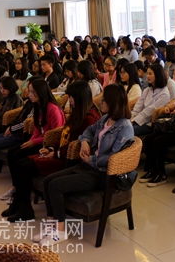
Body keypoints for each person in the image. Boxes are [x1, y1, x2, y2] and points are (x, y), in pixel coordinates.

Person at [36, 84, 134, 246]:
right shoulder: (105, 119)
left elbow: (114, 158)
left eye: (104, 99)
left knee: (55, 186)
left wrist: (91, 160)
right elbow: (88, 131)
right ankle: (52, 225)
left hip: (103, 173)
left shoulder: (125, 128)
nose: (100, 101)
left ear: (114, 102)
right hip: (88, 166)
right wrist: (85, 142)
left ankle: (60, 231)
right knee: (48, 181)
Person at [0, 81, 100, 222]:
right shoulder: (78, 113)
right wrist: (51, 148)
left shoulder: (89, 118)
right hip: (60, 153)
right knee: (20, 161)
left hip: (69, 161)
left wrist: (55, 153)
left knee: (25, 166)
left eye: (71, 97)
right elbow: (63, 134)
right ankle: (19, 202)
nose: (69, 100)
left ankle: (25, 208)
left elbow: (75, 147)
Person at [0, 78, 65, 188]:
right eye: (29, 90)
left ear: (40, 92)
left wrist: (32, 141)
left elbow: (54, 133)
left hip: (45, 143)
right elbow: (37, 128)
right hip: (33, 138)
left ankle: (15, 186)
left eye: (31, 91)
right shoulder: (37, 105)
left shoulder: (52, 109)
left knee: (16, 155)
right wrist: (32, 140)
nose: (28, 94)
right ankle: (12, 185)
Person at [131, 64, 170, 136]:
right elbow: (138, 106)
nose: (147, 76)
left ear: (158, 75)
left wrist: (134, 121)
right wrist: (131, 117)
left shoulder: (164, 93)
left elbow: (150, 111)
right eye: (147, 74)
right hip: (138, 118)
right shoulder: (147, 90)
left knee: (129, 131)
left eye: (150, 74)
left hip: (150, 123)